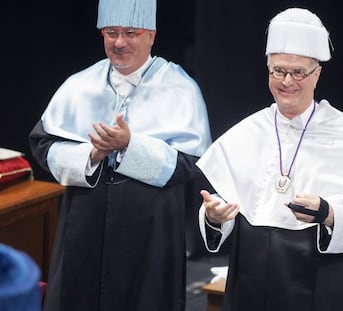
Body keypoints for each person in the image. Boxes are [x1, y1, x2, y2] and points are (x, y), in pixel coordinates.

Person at [196, 7, 343, 311]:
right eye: (278, 70)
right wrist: (214, 217)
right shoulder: (247, 132)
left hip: (320, 283)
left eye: (298, 72)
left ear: (317, 74)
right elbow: (225, 211)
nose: (287, 81)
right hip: (250, 283)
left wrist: (328, 213)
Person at [28, 0, 211, 309]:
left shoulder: (180, 88)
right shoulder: (80, 85)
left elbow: (192, 164)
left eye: (130, 32)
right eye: (111, 32)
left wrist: (130, 146)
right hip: (82, 228)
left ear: (151, 35)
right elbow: (43, 145)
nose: (119, 42)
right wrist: (91, 155)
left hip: (149, 232)